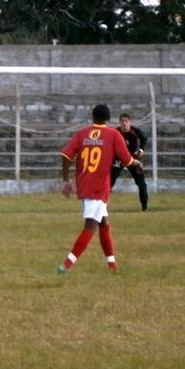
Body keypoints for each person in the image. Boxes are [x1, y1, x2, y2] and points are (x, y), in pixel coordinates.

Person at [58, 104, 141, 273]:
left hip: (84, 184)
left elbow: (66, 155)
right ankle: (65, 265)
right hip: (98, 187)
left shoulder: (82, 133)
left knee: (104, 223)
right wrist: (137, 162)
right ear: (109, 119)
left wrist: (66, 181)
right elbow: (126, 160)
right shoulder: (113, 134)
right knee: (90, 225)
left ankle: (112, 265)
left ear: (92, 117)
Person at [109, 113, 149, 211]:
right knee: (109, 183)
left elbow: (144, 139)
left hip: (133, 160)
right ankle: (102, 207)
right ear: (119, 122)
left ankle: (145, 208)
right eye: (122, 121)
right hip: (118, 160)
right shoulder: (115, 132)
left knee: (141, 184)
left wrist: (141, 150)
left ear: (130, 122)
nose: (124, 123)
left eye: (126, 121)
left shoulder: (135, 131)